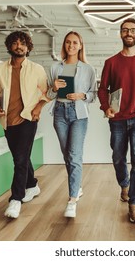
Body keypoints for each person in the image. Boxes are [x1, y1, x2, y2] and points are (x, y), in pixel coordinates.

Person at [98, 18, 135, 223]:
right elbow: (102, 89)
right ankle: (124, 184)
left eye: (133, 30)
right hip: (117, 120)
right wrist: (106, 107)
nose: (129, 33)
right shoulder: (111, 62)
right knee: (118, 158)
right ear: (120, 34)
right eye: (125, 30)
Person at [0, 31, 49, 218]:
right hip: (8, 121)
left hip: (28, 118)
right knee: (21, 157)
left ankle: (15, 199)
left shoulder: (37, 69)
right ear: (9, 47)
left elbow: (46, 93)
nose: (19, 46)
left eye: (22, 43)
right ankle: (32, 185)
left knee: (20, 160)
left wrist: (38, 109)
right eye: (15, 43)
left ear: (28, 47)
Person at [46, 31, 96, 218]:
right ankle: (77, 187)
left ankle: (72, 200)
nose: (71, 46)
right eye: (68, 42)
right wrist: (53, 88)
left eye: (75, 42)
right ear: (64, 45)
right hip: (59, 112)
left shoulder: (88, 69)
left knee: (74, 155)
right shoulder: (54, 67)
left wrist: (82, 95)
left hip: (79, 114)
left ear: (81, 45)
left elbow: (93, 94)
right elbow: (48, 95)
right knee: (67, 155)